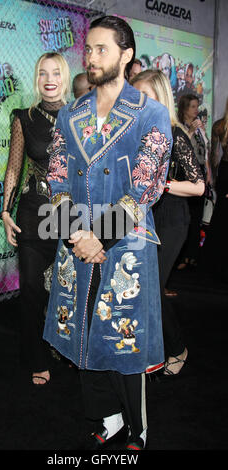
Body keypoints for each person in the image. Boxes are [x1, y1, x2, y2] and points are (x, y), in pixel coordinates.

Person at [42, 16, 172, 451]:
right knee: (81, 334)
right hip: (76, 242)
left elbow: (145, 188)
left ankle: (137, 428)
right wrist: (77, 234)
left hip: (125, 247)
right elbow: (56, 181)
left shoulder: (150, 113)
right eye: (89, 49)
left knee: (123, 339)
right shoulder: (71, 113)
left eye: (101, 49)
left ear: (126, 55)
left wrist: (99, 237)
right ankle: (109, 417)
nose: (91, 57)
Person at [2, 52, 71, 385]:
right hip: (33, 212)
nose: (49, 79)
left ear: (65, 77)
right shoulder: (24, 118)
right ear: (37, 77)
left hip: (72, 215)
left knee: (68, 288)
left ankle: (67, 346)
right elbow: (14, 166)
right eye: (43, 72)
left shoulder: (82, 116)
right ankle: (36, 356)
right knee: (30, 288)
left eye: (56, 72)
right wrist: (5, 210)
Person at [131, 70, 205, 375]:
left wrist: (163, 185)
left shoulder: (174, 134)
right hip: (145, 217)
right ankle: (152, 349)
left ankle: (178, 349)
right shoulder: (137, 133)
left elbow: (199, 186)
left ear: (161, 97)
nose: (140, 102)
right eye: (136, 96)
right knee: (140, 287)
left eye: (146, 96)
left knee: (151, 288)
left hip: (172, 219)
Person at [176, 94, 210, 269]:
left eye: (197, 107)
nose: (196, 110)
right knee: (185, 216)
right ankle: (181, 256)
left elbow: (205, 150)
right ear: (184, 108)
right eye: (193, 107)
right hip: (185, 175)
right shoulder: (179, 126)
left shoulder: (199, 127)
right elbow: (181, 148)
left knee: (197, 217)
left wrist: (209, 171)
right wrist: (190, 131)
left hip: (201, 173)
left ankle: (192, 255)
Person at [202, 98, 228, 282]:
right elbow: (212, 154)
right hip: (225, 173)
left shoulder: (220, 125)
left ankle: (213, 265)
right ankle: (215, 265)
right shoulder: (220, 126)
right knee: (220, 218)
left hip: (224, 173)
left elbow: (213, 155)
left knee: (220, 217)